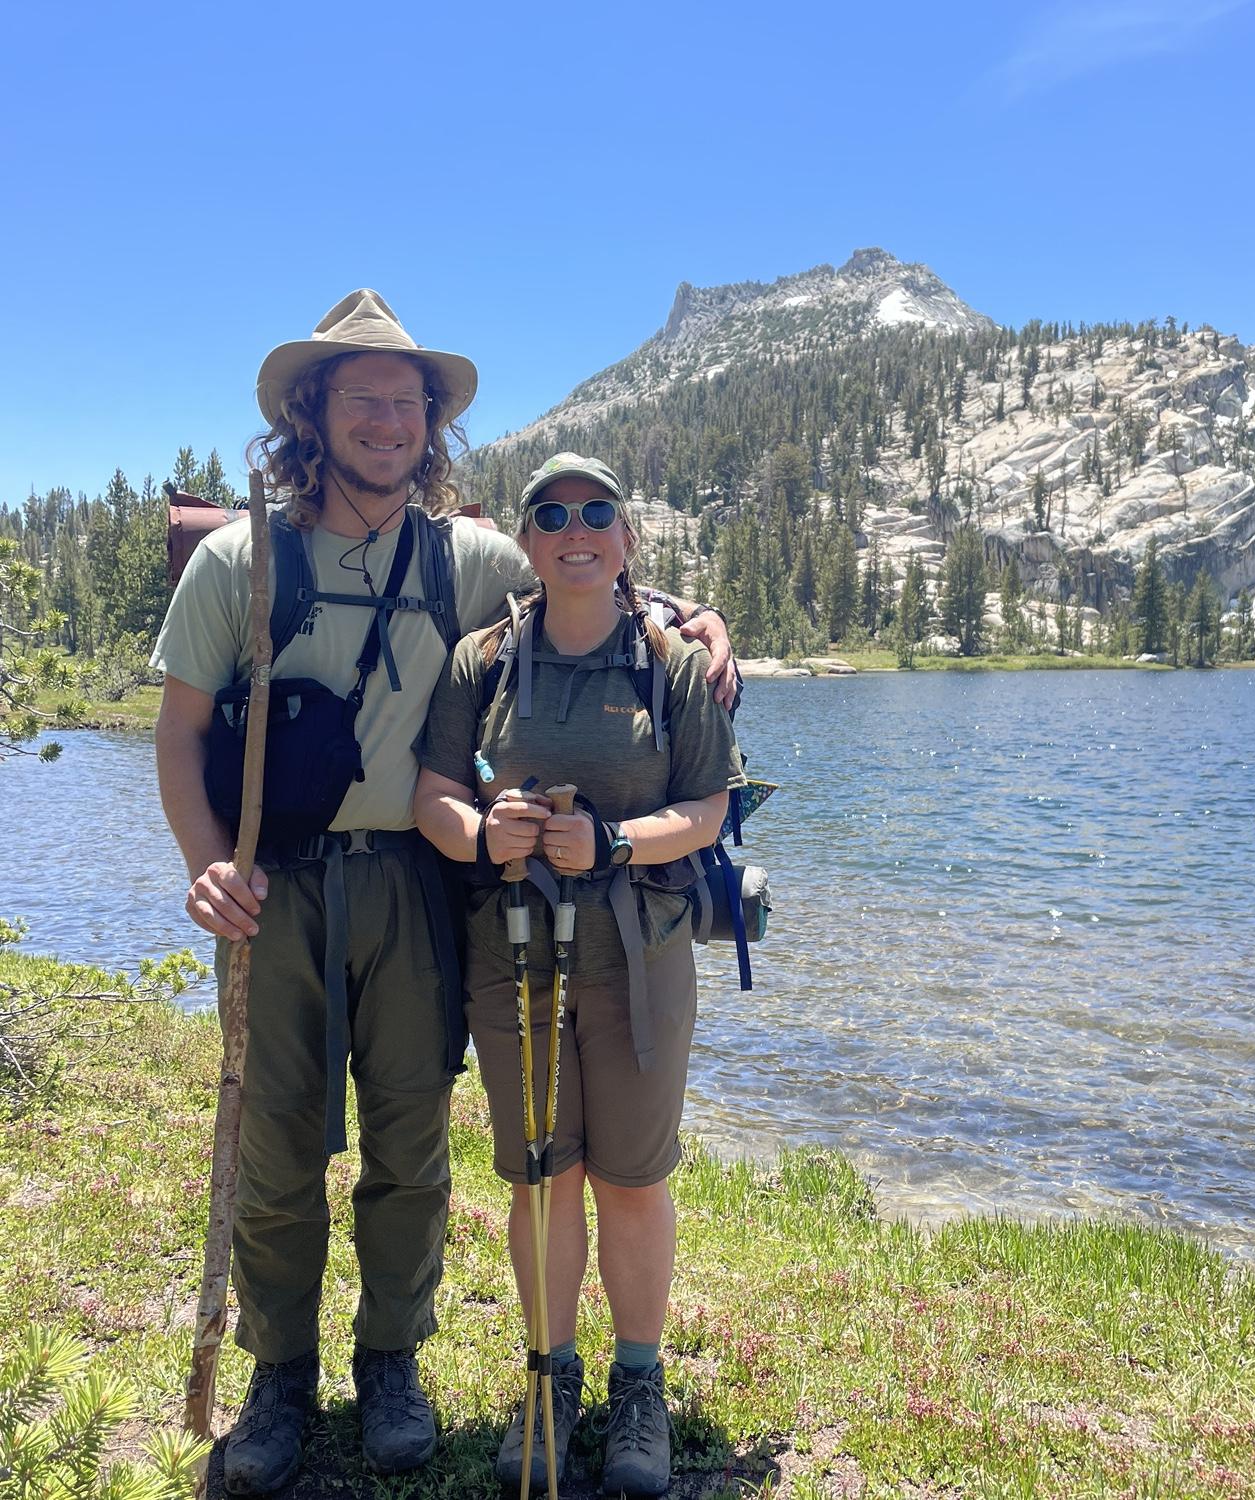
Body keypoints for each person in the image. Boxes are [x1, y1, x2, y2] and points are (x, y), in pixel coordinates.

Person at [151, 293, 734, 1495]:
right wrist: (206, 862)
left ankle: (392, 1362)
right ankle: (278, 1378)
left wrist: (692, 612)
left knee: (410, 1141)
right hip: (278, 889)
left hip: (413, 884)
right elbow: (181, 728)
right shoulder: (236, 557)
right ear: (309, 412)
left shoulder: (462, 556)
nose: (385, 420)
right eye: (359, 396)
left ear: (432, 425)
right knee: (276, 1143)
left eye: (406, 402)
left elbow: (580, 581)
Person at [414, 451, 744, 1497]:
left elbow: (707, 811)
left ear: (626, 537)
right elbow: (433, 795)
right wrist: (485, 832)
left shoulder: (670, 663)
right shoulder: (484, 661)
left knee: (632, 1181)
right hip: (511, 962)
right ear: (527, 540)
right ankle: (549, 1379)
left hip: (639, 962)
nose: (576, 528)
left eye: (597, 512)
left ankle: (636, 1386)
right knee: (543, 1177)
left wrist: (607, 844)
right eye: (552, 513)